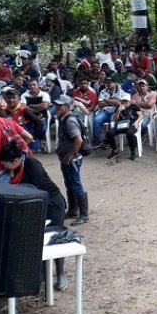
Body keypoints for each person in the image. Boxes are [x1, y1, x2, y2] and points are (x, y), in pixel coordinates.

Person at [0, 141, 68, 290]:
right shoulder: (16, 169)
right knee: (38, 240)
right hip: (36, 206)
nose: (5, 167)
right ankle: (42, 274)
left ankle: (61, 273)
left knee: (55, 239)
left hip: (52, 204)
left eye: (6, 164)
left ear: (16, 160)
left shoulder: (33, 165)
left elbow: (35, 191)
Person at [55, 95, 89, 225]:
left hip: (72, 159)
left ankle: (84, 215)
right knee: (69, 184)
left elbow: (78, 140)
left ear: (67, 107)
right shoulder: (63, 119)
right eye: (57, 105)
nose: (57, 108)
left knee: (75, 184)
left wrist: (70, 155)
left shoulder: (69, 121)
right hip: (66, 158)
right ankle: (73, 210)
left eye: (60, 106)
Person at [104, 92, 141, 161]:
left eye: (126, 101)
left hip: (132, 124)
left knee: (129, 134)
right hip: (121, 124)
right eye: (122, 101)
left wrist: (136, 122)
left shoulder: (134, 106)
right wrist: (119, 111)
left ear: (129, 101)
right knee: (109, 133)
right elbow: (115, 119)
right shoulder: (119, 107)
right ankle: (114, 151)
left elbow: (140, 116)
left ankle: (133, 152)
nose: (124, 102)